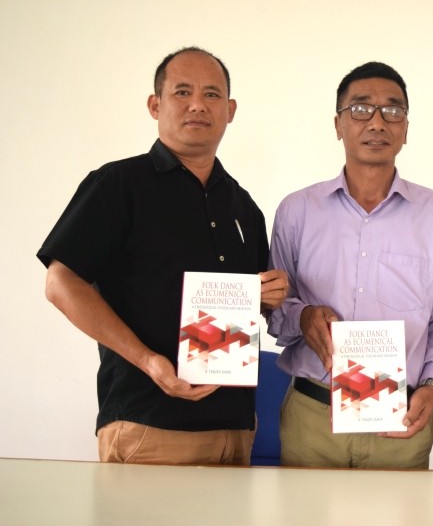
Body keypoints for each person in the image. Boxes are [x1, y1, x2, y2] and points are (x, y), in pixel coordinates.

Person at [37, 47, 288, 466]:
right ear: (155, 105)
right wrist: (148, 361)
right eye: (182, 92)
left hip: (235, 430)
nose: (197, 105)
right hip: (149, 425)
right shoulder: (119, 185)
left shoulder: (243, 206)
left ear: (230, 110)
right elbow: (60, 283)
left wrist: (270, 294)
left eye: (211, 95)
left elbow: (253, 302)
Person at [267, 61, 433, 469]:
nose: (377, 122)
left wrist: (432, 387)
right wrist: (303, 316)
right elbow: (273, 307)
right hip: (313, 418)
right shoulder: (296, 211)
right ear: (338, 124)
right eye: (361, 109)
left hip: (401, 422)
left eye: (392, 111)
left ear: (406, 128)